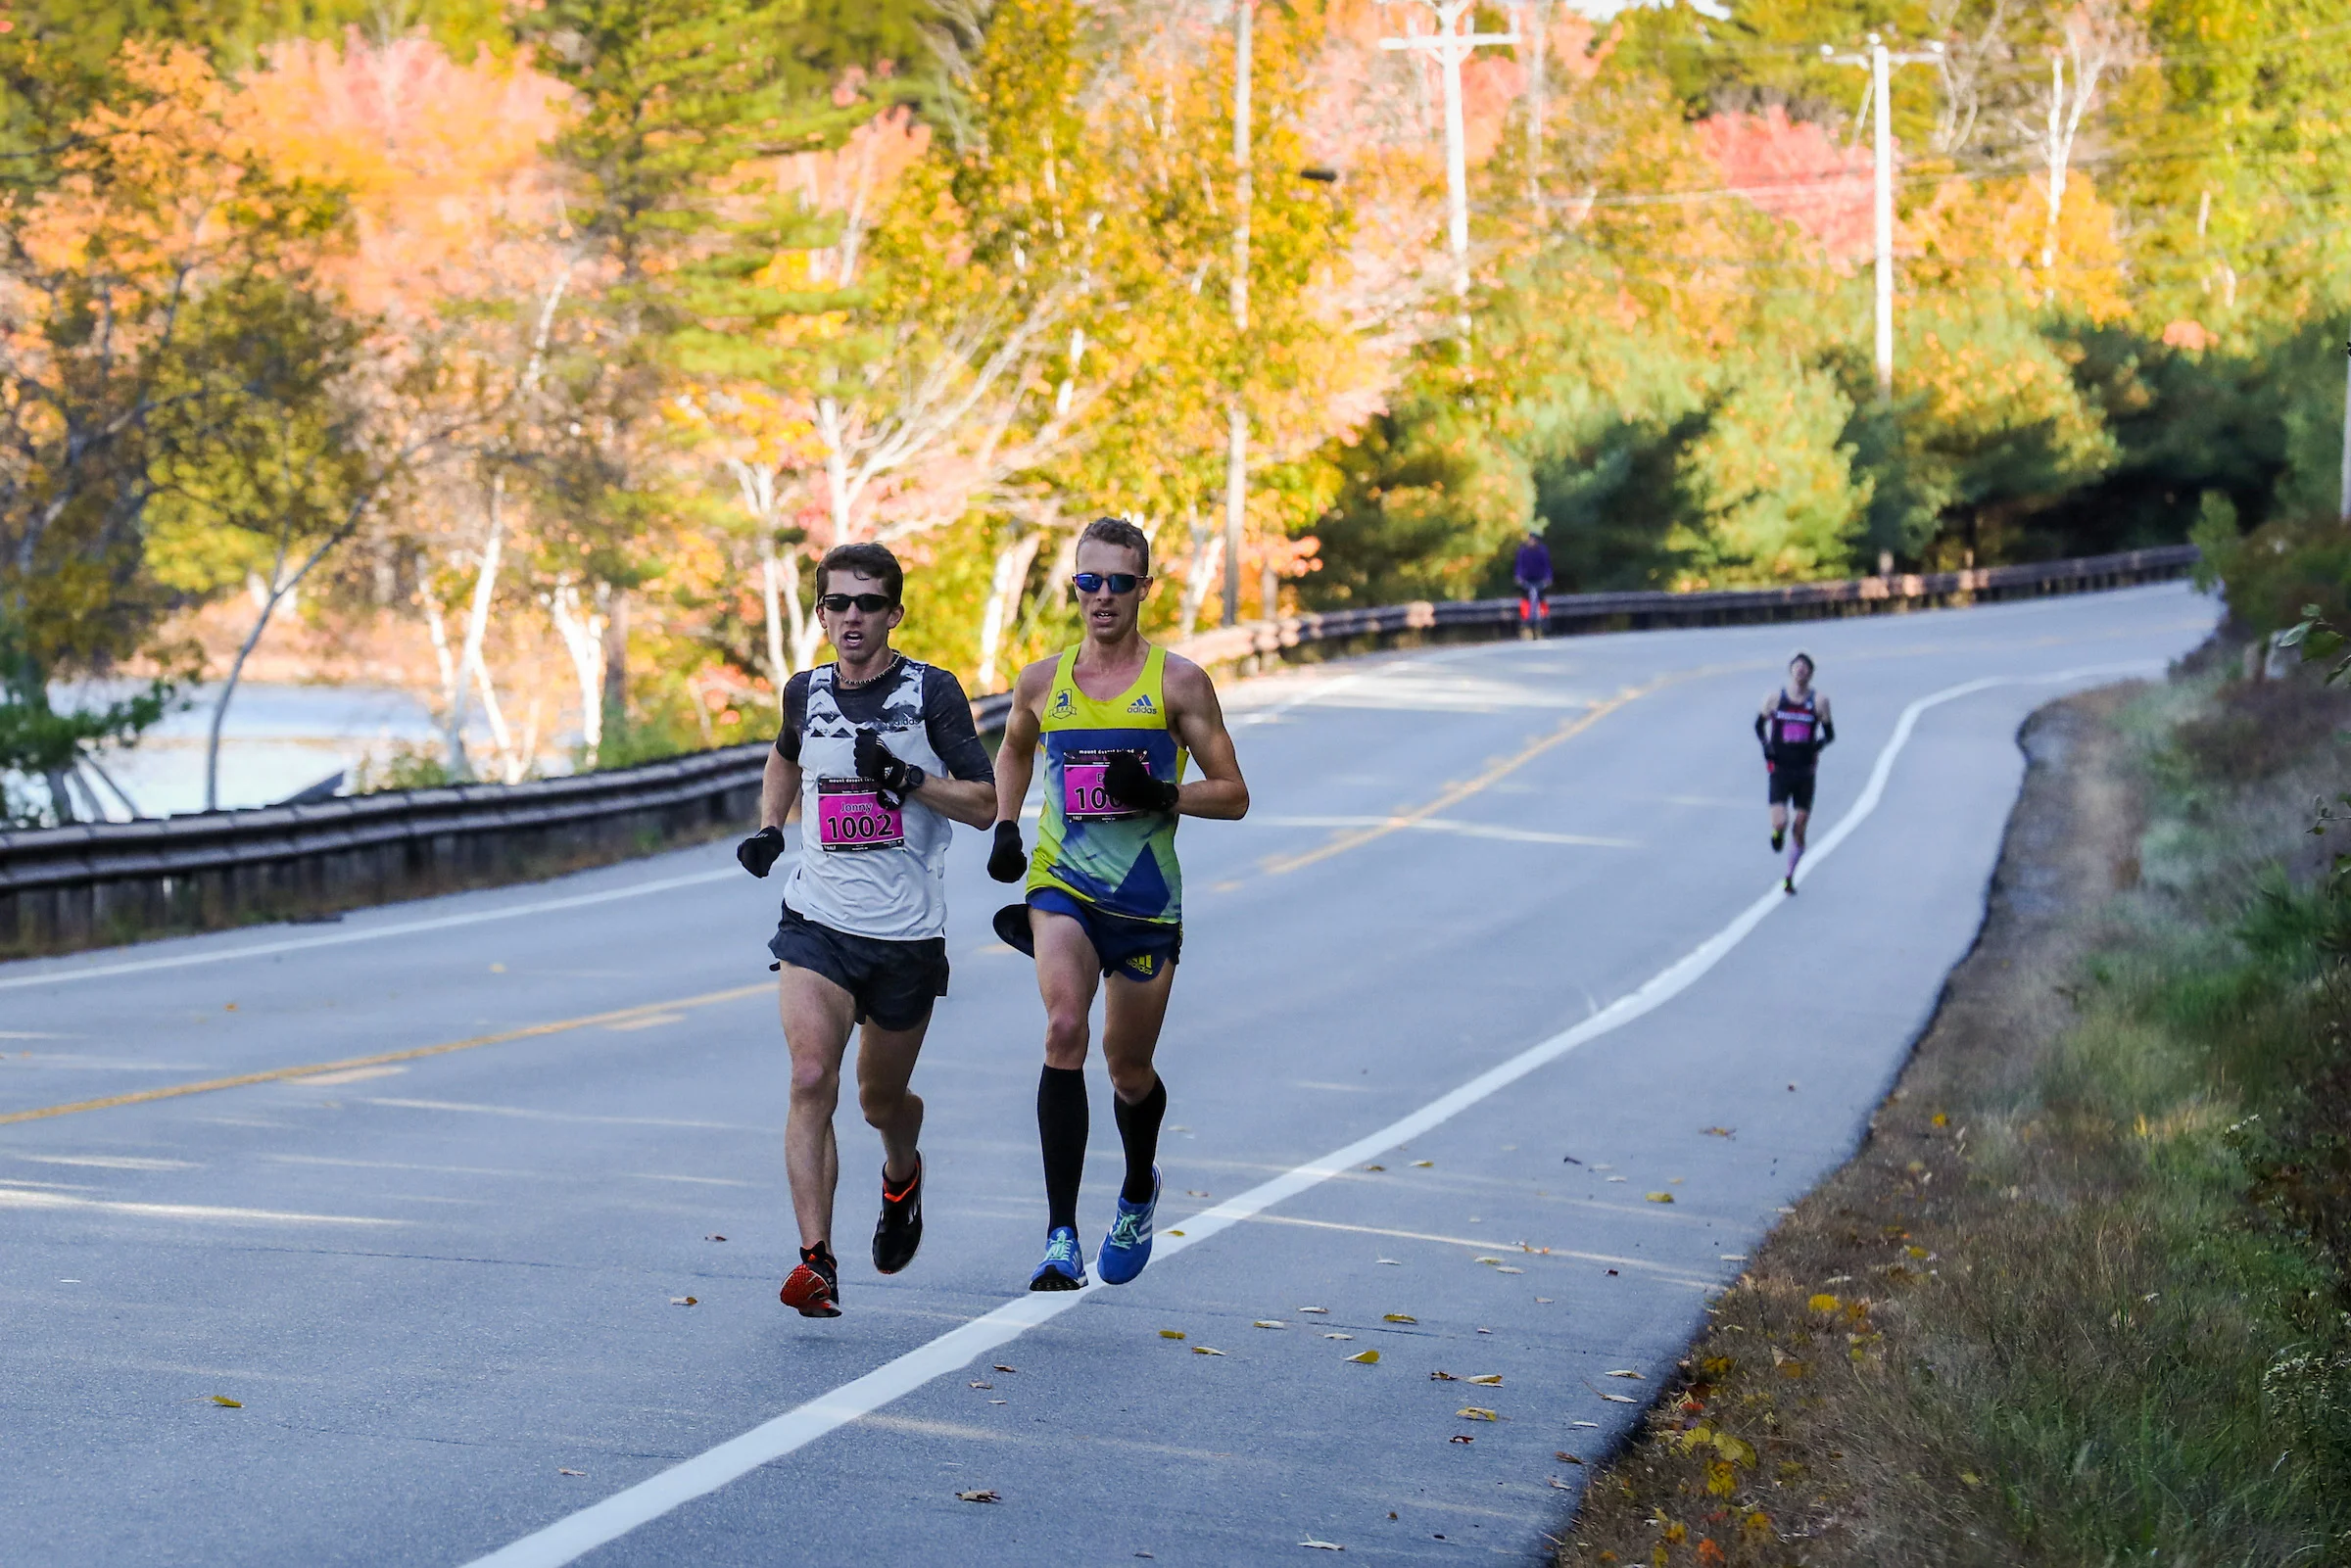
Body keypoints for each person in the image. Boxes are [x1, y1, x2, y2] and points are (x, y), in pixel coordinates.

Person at [985, 516, 1251, 1292]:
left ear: (1144, 588)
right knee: (1065, 1026)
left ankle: (1138, 1187)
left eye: (1119, 583)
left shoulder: (1178, 682)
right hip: (1061, 883)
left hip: (1143, 900)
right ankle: (1060, 1235)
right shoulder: (1043, 679)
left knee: (1126, 1065)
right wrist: (1006, 824)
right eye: (1088, 581)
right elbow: (1013, 747)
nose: (1102, 597)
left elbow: (1234, 793)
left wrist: (1165, 792)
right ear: (1074, 585)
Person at [734, 543, 998, 1318]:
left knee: (880, 1099)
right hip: (817, 920)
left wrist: (909, 779)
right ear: (820, 612)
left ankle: (902, 1168)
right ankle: (816, 1261)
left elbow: (985, 803)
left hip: (906, 937)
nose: (853, 617)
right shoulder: (804, 690)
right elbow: (786, 756)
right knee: (811, 1076)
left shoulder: (932, 693)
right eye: (838, 603)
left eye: (869, 603)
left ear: (895, 613)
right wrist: (769, 826)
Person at [1756, 652, 1834, 894]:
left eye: (1805, 668)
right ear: (1791, 670)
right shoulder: (1775, 699)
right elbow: (1759, 725)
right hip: (1780, 769)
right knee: (1781, 821)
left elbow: (1830, 734)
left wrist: (1817, 746)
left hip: (1805, 772)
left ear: (1810, 674)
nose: (1800, 671)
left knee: (1799, 827)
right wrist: (1766, 746)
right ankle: (1777, 833)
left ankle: (1789, 876)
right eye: (1797, 667)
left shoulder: (1819, 701)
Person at [1512, 528, 1554, 640]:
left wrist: (1548, 578)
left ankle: (1545, 618)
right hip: (1527, 580)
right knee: (1526, 601)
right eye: (1530, 539)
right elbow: (1519, 566)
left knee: (1542, 600)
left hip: (1540, 580)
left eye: (1533, 539)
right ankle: (1525, 620)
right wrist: (1519, 577)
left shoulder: (1542, 551)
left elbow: (1547, 566)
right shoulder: (1523, 551)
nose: (1531, 541)